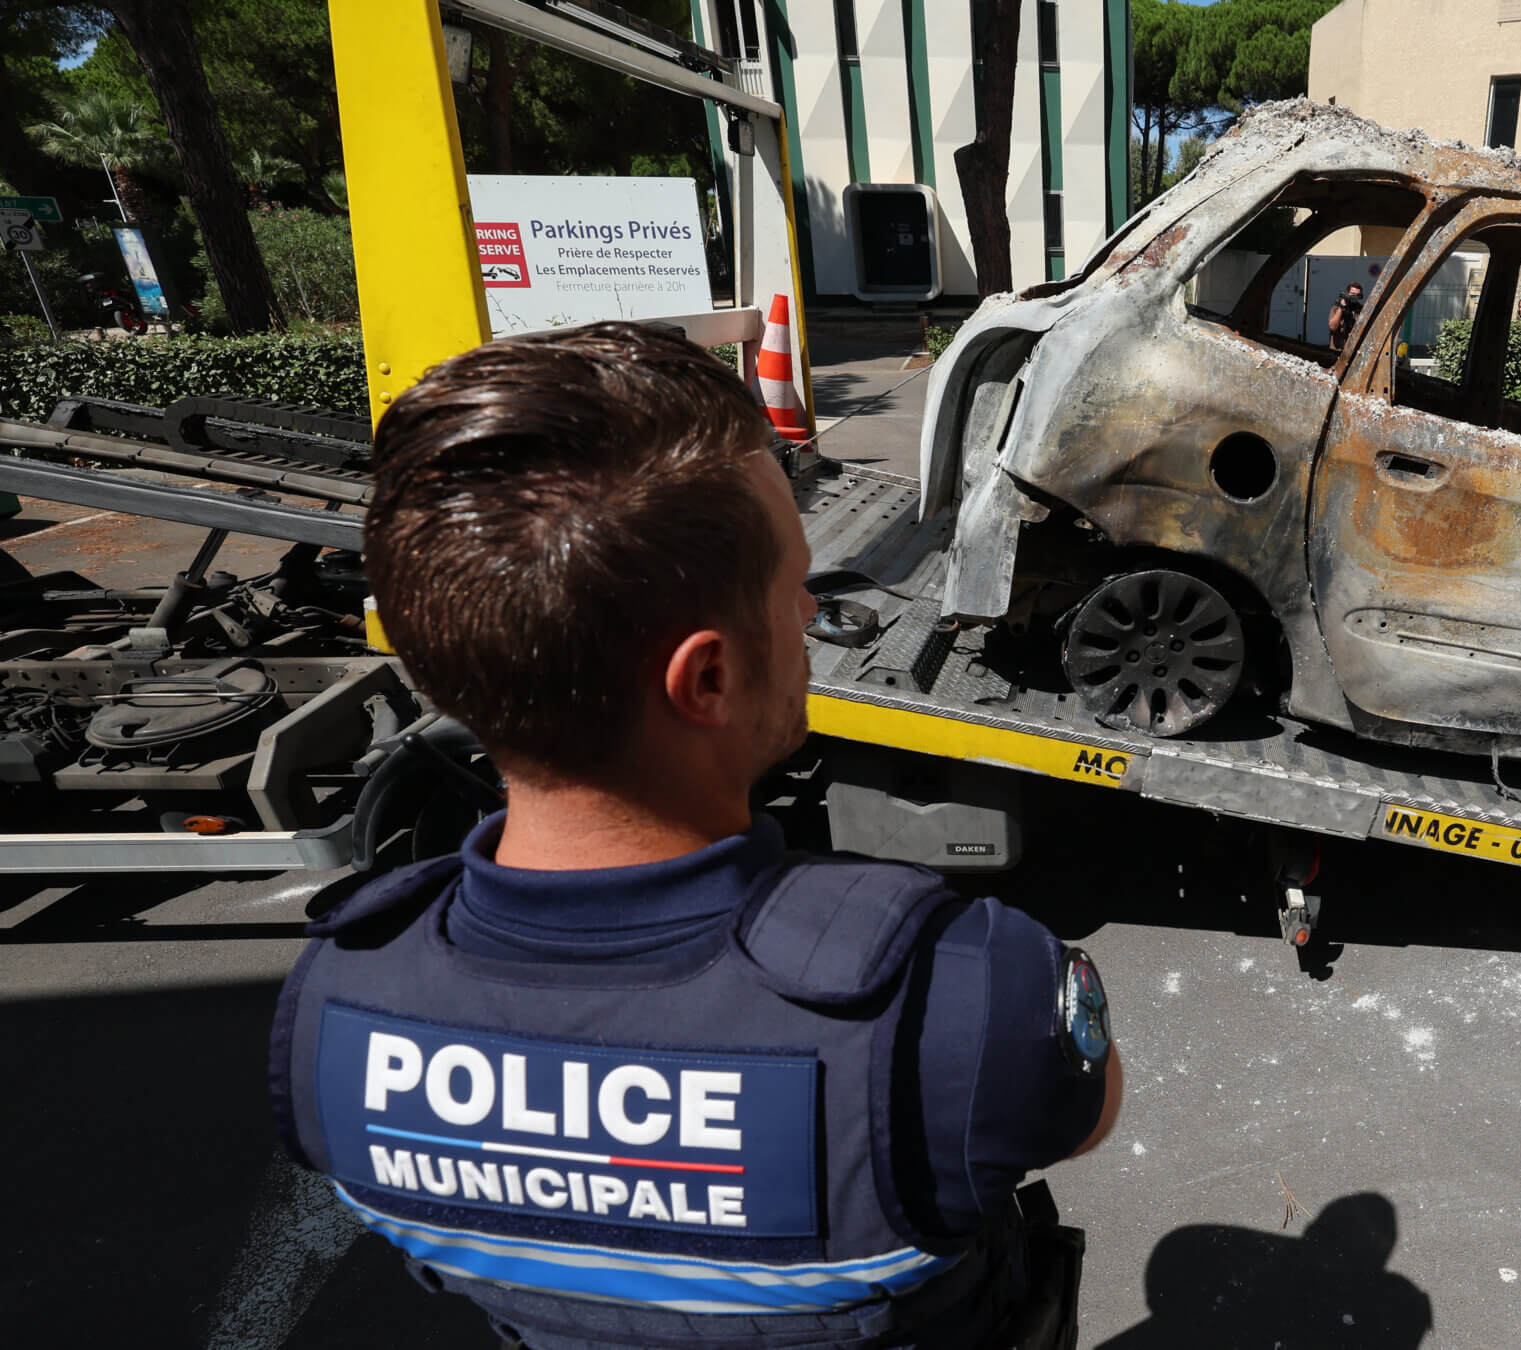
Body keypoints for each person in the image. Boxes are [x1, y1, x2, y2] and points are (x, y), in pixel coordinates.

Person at [270, 322, 1122, 1349]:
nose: (810, 609)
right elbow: (1086, 1117)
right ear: (707, 678)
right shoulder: (957, 993)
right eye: (792, 587)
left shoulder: (334, 1010)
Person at [1326, 282, 1365, 349]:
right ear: (1347, 293)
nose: (1354, 297)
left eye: (1357, 295)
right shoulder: (1336, 308)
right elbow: (1332, 327)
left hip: (1353, 349)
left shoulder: (1361, 310)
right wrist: (1341, 308)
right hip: (1337, 349)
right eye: (1352, 294)